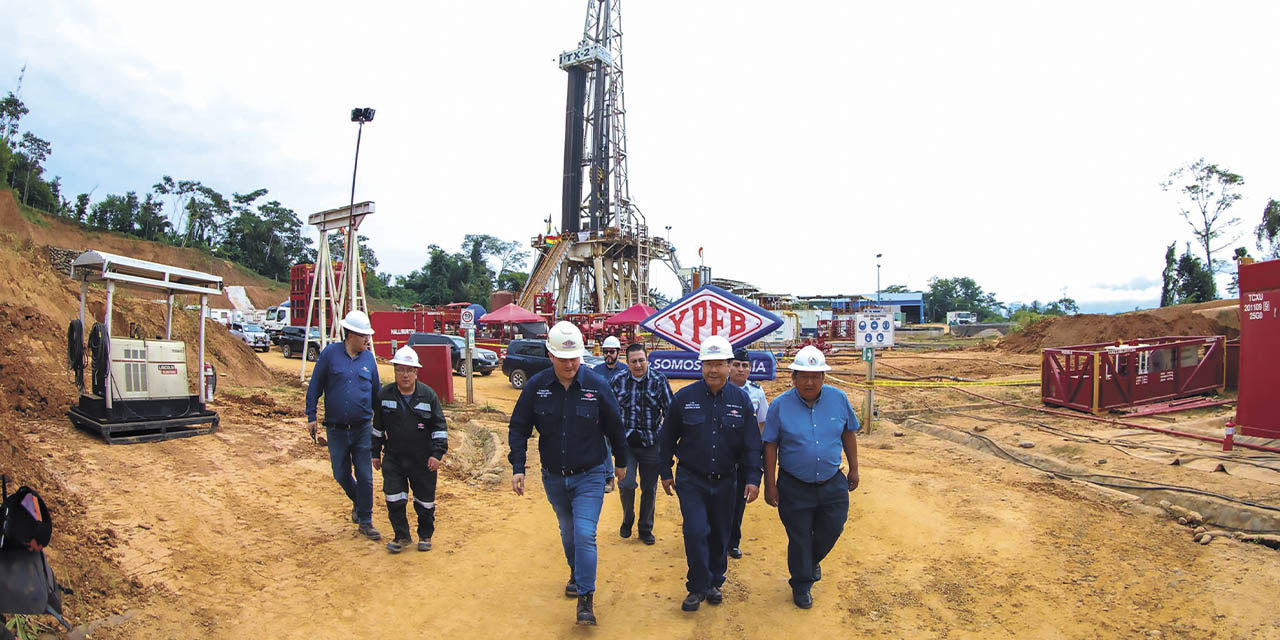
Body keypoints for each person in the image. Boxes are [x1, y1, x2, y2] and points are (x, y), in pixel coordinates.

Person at [508, 321, 628, 626]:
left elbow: (615, 426)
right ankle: (576, 572)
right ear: (550, 355)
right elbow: (519, 427)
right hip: (554, 477)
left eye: (575, 357)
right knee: (567, 530)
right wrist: (518, 467)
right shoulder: (537, 387)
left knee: (585, 533)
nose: (570, 364)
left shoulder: (596, 386)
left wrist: (621, 462)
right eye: (563, 358)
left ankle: (586, 599)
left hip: (590, 473)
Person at [659, 335, 762, 612]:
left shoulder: (741, 401)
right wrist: (665, 470)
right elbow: (667, 437)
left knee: (720, 533)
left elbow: (752, 444)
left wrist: (753, 478)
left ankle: (716, 581)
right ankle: (697, 587)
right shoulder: (684, 399)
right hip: (691, 479)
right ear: (700, 366)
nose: (713, 370)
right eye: (708, 364)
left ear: (730, 366)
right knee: (695, 531)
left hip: (728, 480)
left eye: (719, 364)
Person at [762, 345, 861, 609]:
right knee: (799, 537)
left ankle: (811, 560)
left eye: (815, 376)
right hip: (795, 485)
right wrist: (769, 484)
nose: (809, 381)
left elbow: (848, 434)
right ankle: (802, 584)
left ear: (823, 378)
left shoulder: (838, 399)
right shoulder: (780, 406)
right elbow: (770, 444)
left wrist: (854, 468)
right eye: (803, 375)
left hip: (832, 481)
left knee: (833, 528)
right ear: (793, 377)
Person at [306, 310, 382, 541]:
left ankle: (365, 521)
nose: (367, 340)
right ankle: (359, 503)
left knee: (366, 476)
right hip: (336, 430)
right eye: (363, 336)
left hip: (362, 429)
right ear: (350, 335)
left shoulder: (369, 359)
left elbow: (376, 392)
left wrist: (381, 425)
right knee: (340, 473)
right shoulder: (330, 354)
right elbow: (315, 385)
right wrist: (311, 416)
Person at [372, 346, 447, 554]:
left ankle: (425, 535)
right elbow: (377, 427)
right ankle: (401, 536)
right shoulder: (385, 395)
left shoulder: (428, 396)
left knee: (424, 502)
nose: (405, 375)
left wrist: (437, 454)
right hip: (394, 459)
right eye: (401, 369)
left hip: (422, 460)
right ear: (394, 371)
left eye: (410, 370)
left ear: (416, 372)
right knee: (394, 499)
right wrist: (374, 453)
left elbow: (439, 428)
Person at [609, 342, 673, 545]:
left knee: (649, 488)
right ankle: (628, 518)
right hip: (625, 444)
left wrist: (662, 435)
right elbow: (608, 411)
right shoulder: (617, 381)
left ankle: (645, 527)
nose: (638, 365)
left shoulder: (658, 380)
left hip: (652, 443)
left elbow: (670, 412)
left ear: (648, 359)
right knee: (626, 484)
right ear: (626, 363)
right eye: (633, 361)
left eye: (641, 360)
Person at [727, 348, 768, 559]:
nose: (740, 369)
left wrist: (755, 451)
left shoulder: (756, 391)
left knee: (739, 501)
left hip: (745, 455)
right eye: (736, 365)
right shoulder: (719, 389)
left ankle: (733, 541)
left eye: (744, 366)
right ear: (729, 367)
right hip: (723, 452)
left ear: (750, 368)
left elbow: (762, 423)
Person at [593, 335, 626, 493]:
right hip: (603, 416)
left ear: (618, 352)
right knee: (603, 442)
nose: (608, 355)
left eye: (611, 352)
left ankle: (624, 473)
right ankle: (609, 476)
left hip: (622, 416)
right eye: (605, 352)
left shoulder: (626, 370)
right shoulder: (597, 371)